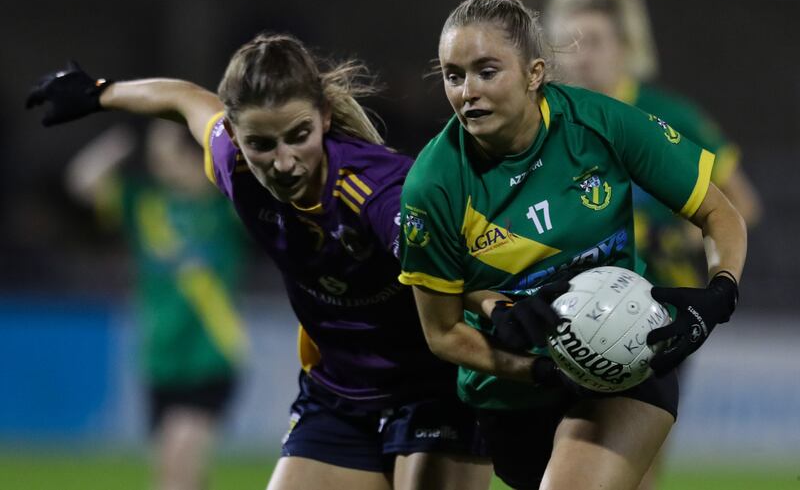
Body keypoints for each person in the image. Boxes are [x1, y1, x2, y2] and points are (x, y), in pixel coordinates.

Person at [27, 35, 492, 490]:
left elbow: (450, 264)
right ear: (232, 135)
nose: (284, 162)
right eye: (262, 144)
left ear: (325, 117)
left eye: (299, 136)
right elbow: (186, 99)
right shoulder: (234, 166)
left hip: (433, 388)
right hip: (339, 393)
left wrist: (503, 310)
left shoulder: (378, 190)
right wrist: (101, 93)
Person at [398, 0, 747, 490]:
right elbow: (442, 333)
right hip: (510, 392)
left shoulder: (600, 123)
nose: (467, 91)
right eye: (454, 75)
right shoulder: (432, 185)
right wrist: (539, 369)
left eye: (487, 71)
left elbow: (721, 212)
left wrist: (721, 291)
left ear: (534, 72)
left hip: (629, 358)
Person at [543, 0, 761, 292]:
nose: (581, 57)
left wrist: (678, 238)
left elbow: (744, 204)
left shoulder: (672, 116)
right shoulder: (541, 120)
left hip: (659, 305)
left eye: (594, 42)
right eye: (569, 43)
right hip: (566, 305)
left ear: (625, 46)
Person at [64, 121, 248, 490]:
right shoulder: (144, 205)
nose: (158, 164)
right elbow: (82, 179)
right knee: (179, 476)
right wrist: (123, 135)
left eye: (166, 154)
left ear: (193, 156)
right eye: (154, 155)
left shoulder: (225, 208)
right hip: (160, 359)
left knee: (176, 476)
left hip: (211, 356)